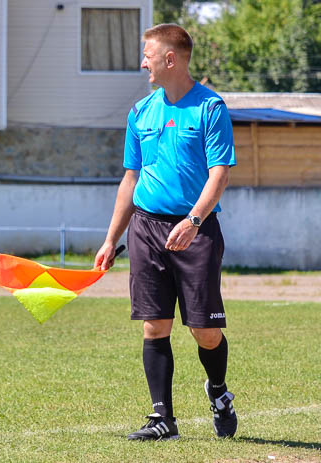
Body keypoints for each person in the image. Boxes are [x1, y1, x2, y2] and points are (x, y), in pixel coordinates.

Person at [94, 23, 237, 441]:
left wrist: (192, 222)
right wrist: (110, 238)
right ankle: (163, 421)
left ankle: (218, 392)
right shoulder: (140, 112)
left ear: (170, 59)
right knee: (154, 326)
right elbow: (129, 180)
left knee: (204, 331)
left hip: (196, 230)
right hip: (145, 228)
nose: (143, 63)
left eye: (148, 55)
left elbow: (220, 175)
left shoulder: (210, 108)